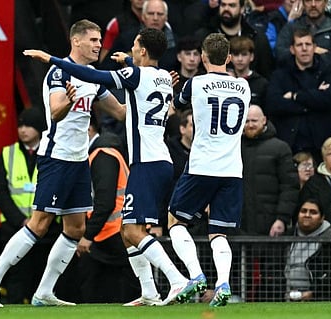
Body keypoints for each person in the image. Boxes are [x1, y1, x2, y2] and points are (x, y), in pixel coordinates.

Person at [24, 27, 197, 306]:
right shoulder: (165, 76)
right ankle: (149, 293)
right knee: (128, 231)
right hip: (159, 160)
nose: (130, 50)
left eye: (134, 47)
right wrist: (128, 62)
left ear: (141, 50)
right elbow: (138, 80)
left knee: (132, 232)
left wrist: (51, 60)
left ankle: (178, 280)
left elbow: (93, 75)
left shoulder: (136, 74)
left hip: (146, 163)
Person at [0, 19, 126, 308]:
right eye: (93, 40)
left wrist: (150, 104)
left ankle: (44, 292)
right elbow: (55, 112)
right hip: (57, 158)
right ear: (77, 41)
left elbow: (119, 112)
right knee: (40, 224)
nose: (99, 45)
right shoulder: (58, 73)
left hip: (79, 160)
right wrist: (69, 102)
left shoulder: (93, 75)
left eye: (99, 40)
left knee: (75, 229)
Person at [167, 33, 251, 307]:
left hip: (202, 165)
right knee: (218, 232)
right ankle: (223, 283)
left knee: (175, 221)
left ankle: (196, 276)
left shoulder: (196, 83)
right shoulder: (244, 87)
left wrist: (171, 89)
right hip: (231, 170)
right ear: (228, 58)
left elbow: (176, 107)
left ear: (202, 57)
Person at [0, 107, 63, 304]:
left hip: (48, 228)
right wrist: (22, 220)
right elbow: (0, 192)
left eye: (28, 126)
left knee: (42, 277)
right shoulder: (8, 153)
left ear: (40, 128)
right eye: (20, 125)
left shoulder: (54, 152)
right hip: (15, 227)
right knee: (16, 278)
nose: (23, 130)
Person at [76, 117, 140, 303]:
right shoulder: (107, 152)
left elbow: (105, 201)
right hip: (115, 230)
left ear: (88, 129)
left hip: (111, 232)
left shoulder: (102, 155)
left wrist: (88, 235)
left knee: (105, 288)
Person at [265, 28, 331, 164]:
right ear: (292, 49)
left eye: (308, 44)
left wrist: (296, 96)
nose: (304, 49)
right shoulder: (280, 74)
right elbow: (273, 104)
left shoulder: (327, 71)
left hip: (321, 144)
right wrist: (313, 99)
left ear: (314, 47)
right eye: (299, 45)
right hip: (290, 143)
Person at [240, 104, 298, 236]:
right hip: (239, 224)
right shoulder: (233, 148)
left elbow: (290, 187)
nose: (250, 125)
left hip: (270, 224)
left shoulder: (280, 148)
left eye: (254, 121)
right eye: (246, 121)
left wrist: (282, 219)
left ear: (264, 120)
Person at [194, 0, 274, 79]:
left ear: (242, 9)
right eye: (223, 5)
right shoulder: (204, 36)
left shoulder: (256, 37)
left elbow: (266, 72)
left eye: (232, 5)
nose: (226, 9)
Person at [100, 0, 178, 72]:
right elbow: (106, 67)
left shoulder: (175, 42)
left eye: (160, 14)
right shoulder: (126, 38)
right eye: (150, 13)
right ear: (143, 17)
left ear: (166, 17)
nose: (155, 18)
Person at [275, 0, 331, 72]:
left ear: (326, 3)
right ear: (303, 3)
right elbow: (281, 55)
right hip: (296, 78)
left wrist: (299, 52)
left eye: (318, 0)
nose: (313, 4)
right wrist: (317, 51)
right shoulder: (291, 27)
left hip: (326, 79)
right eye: (308, 0)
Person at [284, 198, 331, 301]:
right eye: (303, 211)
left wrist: (315, 293)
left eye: (313, 212)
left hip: (319, 298)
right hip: (286, 296)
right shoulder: (286, 237)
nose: (307, 215)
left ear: (322, 218)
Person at [229, 36, 269, 108]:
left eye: (244, 54)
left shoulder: (261, 83)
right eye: (236, 54)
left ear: (251, 57)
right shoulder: (224, 81)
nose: (240, 59)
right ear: (230, 57)